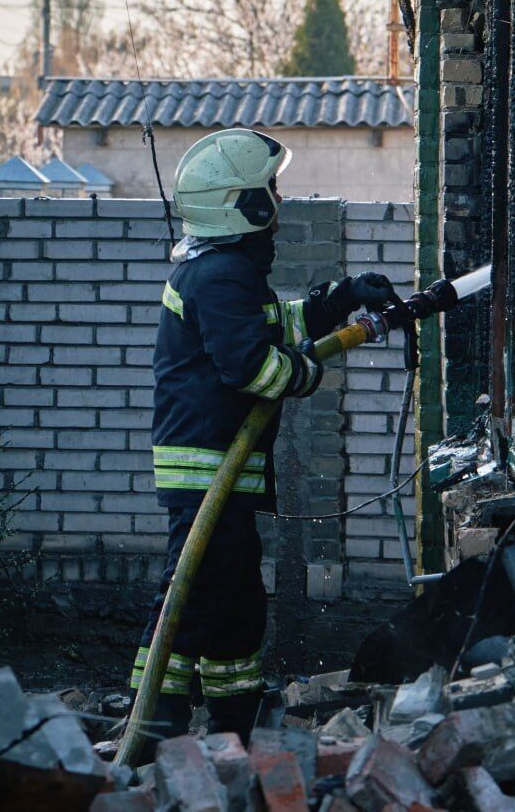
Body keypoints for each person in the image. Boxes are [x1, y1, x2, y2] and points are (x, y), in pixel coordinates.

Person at [131, 129, 391, 749]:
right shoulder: (220, 274)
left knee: (238, 604)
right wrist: (308, 372)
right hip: (208, 472)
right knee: (195, 598)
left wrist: (342, 295)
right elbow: (252, 366)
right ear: (240, 204)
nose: (279, 202)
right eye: (270, 189)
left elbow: (275, 325)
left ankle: (234, 731)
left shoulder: (223, 270)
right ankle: (152, 733)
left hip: (223, 475)